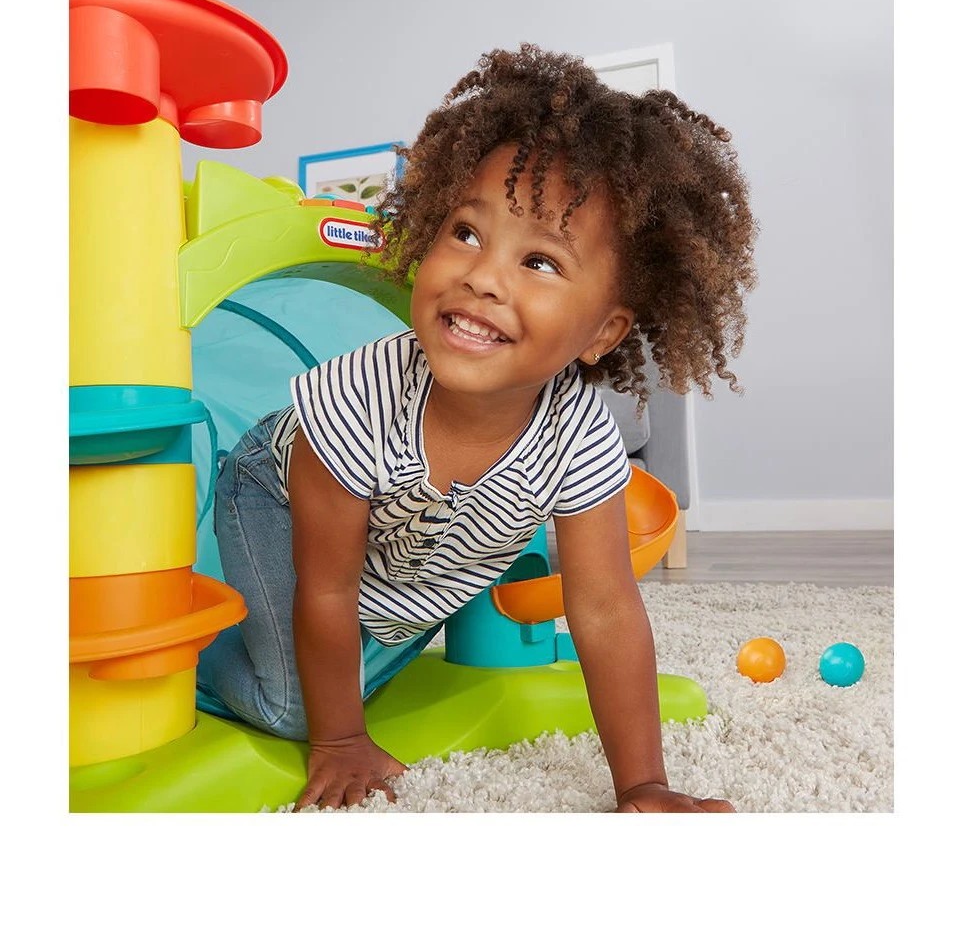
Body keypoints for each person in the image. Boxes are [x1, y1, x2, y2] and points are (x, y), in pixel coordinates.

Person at [197, 44, 757, 813]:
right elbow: (326, 590)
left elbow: (604, 605)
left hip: (394, 537)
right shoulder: (360, 399)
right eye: (466, 231)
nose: (483, 275)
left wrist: (644, 783)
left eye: (542, 263)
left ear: (603, 332)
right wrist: (339, 740)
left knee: (368, 640)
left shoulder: (577, 436)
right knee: (294, 706)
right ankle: (198, 651)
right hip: (274, 491)